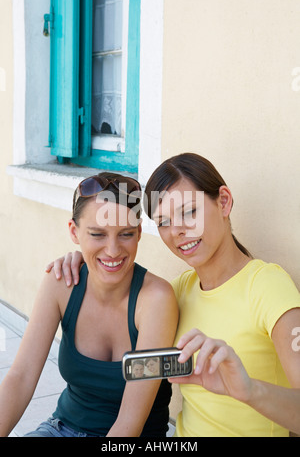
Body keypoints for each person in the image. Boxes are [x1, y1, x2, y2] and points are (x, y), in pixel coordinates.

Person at [47, 154, 300, 437]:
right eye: (164, 221)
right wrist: (84, 260)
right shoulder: (176, 293)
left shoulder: (267, 285)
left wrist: (249, 390)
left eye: (189, 212)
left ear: (224, 202)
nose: (177, 230)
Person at [0, 172, 178, 437]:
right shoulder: (60, 283)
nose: (113, 250)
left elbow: (130, 423)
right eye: (97, 234)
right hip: (61, 428)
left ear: (139, 233)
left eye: (126, 234)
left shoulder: (156, 300)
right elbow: (21, 377)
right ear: (74, 232)